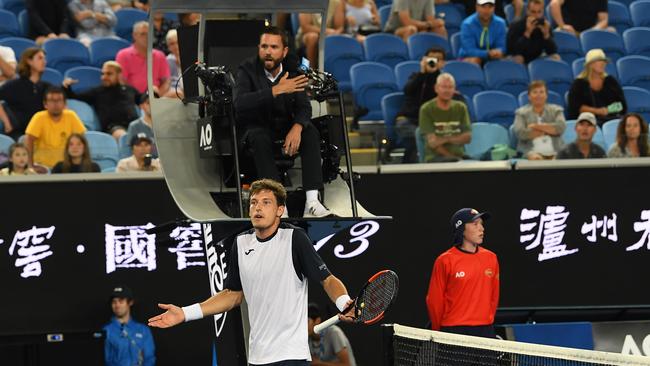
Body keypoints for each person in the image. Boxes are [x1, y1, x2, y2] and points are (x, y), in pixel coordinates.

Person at [148, 179, 355, 365]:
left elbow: (327, 279)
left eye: (266, 202)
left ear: (279, 210)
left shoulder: (295, 238)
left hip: (291, 356)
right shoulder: (240, 243)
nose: (258, 207)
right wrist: (185, 313)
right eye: (254, 202)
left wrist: (343, 302)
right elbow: (232, 295)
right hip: (257, 358)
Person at [234, 26, 334, 218]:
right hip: (255, 129)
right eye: (264, 46)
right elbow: (239, 104)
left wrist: (297, 127)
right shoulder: (247, 69)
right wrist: (275, 91)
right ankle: (280, 205)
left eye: (273, 47)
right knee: (259, 137)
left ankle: (312, 202)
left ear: (284, 51)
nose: (268, 52)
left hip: (284, 129)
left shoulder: (293, 70)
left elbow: (304, 108)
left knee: (310, 131)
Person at [426, 208, 499, 338]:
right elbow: (434, 300)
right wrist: (438, 332)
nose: (481, 229)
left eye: (481, 224)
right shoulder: (445, 260)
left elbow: (494, 296)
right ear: (461, 229)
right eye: (475, 224)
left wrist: (486, 320)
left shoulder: (491, 258)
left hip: (485, 331)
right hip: (453, 331)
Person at [394, 47, 466, 163]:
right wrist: (422, 73)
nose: (434, 62)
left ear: (443, 63)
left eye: (438, 59)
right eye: (431, 59)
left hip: (432, 124)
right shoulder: (416, 77)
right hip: (410, 120)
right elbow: (408, 90)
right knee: (418, 137)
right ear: (424, 60)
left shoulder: (444, 83)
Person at [63, 61, 140, 140]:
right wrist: (66, 87)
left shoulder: (129, 89)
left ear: (119, 75)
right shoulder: (97, 92)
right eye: (103, 74)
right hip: (114, 127)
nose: (104, 77)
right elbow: (74, 97)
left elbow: (143, 100)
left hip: (135, 125)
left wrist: (151, 91)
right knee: (125, 137)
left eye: (109, 74)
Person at [25, 86, 86, 169]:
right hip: (42, 167)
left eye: (59, 100)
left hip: (66, 166)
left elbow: (81, 140)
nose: (56, 103)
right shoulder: (38, 117)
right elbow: (29, 141)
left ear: (64, 104)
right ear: (45, 104)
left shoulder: (71, 116)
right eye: (52, 100)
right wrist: (30, 165)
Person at [418, 73, 472, 163]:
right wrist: (454, 157)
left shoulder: (461, 107)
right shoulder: (426, 109)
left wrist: (445, 139)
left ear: (454, 89)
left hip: (460, 156)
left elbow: (467, 138)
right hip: (435, 158)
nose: (447, 90)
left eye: (450, 87)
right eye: (444, 87)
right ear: (436, 88)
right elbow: (433, 143)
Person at [0, 48, 51, 140]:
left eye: (44, 58)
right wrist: (6, 122)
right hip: (18, 134)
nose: (44, 62)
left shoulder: (47, 87)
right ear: (29, 61)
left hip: (41, 133)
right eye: (40, 58)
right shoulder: (13, 85)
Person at [567, 49, 626, 125]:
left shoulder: (611, 81)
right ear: (590, 64)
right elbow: (575, 108)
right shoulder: (578, 84)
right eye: (599, 61)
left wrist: (608, 110)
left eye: (603, 61)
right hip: (586, 122)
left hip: (610, 119)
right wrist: (598, 111)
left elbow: (622, 105)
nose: (602, 64)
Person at [103, 285, 156, 366]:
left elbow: (149, 358)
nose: (117, 305)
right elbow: (105, 360)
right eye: (114, 302)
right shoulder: (106, 331)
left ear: (130, 302)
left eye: (121, 301)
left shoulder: (143, 330)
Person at [513, 81, 566, 160]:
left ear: (546, 95)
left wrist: (535, 126)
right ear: (529, 96)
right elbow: (520, 132)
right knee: (536, 159)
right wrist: (549, 130)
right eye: (535, 92)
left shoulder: (556, 110)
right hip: (530, 151)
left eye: (541, 92)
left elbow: (560, 128)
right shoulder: (521, 113)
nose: (538, 95)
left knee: (558, 159)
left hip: (556, 150)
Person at [116, 21, 171, 95]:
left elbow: (166, 81)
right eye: (143, 34)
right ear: (134, 35)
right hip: (132, 99)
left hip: (155, 97)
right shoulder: (123, 55)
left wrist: (157, 96)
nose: (147, 37)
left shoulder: (160, 55)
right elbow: (121, 82)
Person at [506, 0, 559, 64]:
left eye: (539, 12)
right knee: (519, 58)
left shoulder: (545, 25)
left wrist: (546, 35)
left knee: (556, 57)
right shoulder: (516, 25)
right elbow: (513, 50)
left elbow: (552, 51)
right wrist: (527, 33)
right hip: (520, 57)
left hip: (537, 57)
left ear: (543, 11)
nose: (536, 16)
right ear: (527, 11)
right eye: (533, 12)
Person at [297, 0, 345, 69]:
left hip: (329, 35)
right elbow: (305, 27)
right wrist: (327, 31)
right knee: (313, 37)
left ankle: (336, 70)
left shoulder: (337, 3)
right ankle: (312, 71)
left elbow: (340, 27)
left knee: (344, 38)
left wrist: (335, 33)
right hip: (308, 35)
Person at [458, 0, 507, 65]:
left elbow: (502, 46)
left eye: (490, 7)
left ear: (494, 7)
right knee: (475, 60)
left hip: (492, 57)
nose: (486, 10)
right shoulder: (467, 24)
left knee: (506, 60)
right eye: (483, 6)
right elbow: (469, 50)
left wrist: (499, 51)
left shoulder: (501, 23)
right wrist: (488, 53)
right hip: (469, 57)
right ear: (477, 7)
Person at [549, 0, 614, 36]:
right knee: (559, 31)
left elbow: (604, 20)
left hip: (589, 31)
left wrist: (592, 31)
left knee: (611, 30)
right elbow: (554, 4)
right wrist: (562, 26)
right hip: (569, 31)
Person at [125, 92, 157, 157]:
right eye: (148, 103)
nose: (153, 105)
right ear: (141, 106)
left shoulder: (166, 125)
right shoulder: (134, 126)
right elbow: (129, 151)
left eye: (155, 102)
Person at [164, 29, 184, 99]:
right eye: (172, 44)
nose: (175, 46)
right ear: (168, 47)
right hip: (174, 94)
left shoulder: (192, 58)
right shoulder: (167, 61)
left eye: (177, 42)